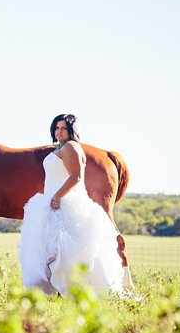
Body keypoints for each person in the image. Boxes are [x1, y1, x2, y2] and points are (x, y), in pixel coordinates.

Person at [18, 114, 124, 296]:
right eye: (57, 128)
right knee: (49, 248)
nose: (59, 131)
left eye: (64, 128)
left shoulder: (70, 147)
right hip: (53, 201)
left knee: (64, 249)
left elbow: (76, 177)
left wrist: (56, 197)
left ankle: (65, 289)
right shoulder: (62, 146)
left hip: (63, 203)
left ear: (72, 130)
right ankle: (50, 291)